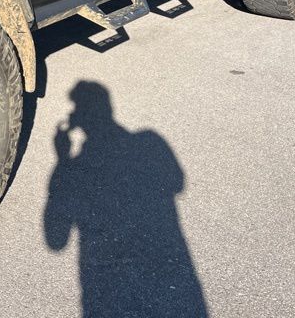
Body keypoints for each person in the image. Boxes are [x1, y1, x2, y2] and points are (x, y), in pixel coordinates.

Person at [45, 81, 208, 317]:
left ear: (82, 117)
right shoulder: (150, 141)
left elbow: (56, 240)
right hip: (166, 273)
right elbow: (177, 183)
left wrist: (63, 160)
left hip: (102, 284)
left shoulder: (79, 165)